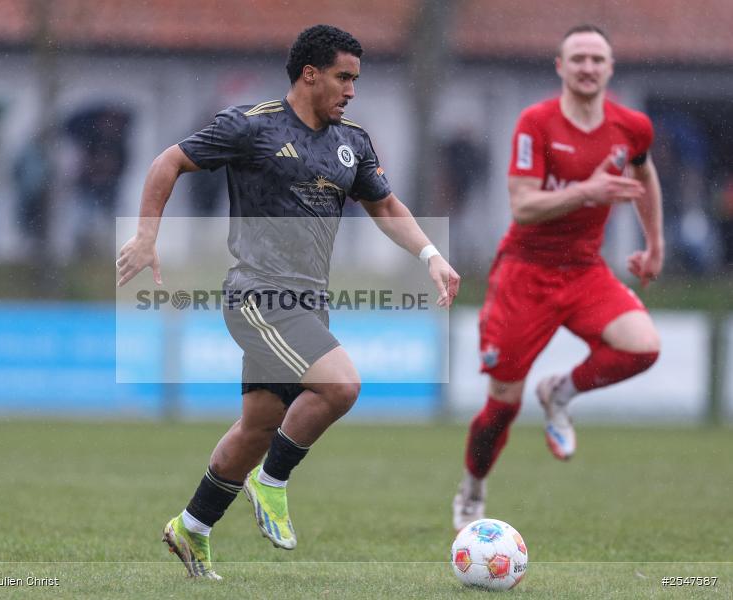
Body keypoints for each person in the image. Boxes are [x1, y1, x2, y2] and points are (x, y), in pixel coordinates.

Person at [116, 24, 460, 579]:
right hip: (257, 293)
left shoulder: (353, 142)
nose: (351, 90)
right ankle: (271, 481)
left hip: (308, 300)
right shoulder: (251, 126)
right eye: (343, 77)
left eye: (356, 79)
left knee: (258, 425)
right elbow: (168, 162)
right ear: (310, 73)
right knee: (341, 385)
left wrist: (430, 257)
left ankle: (191, 528)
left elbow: (387, 206)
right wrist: (147, 235)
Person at [452, 24, 664, 531]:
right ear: (560, 67)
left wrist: (655, 244)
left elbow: (644, 173)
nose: (588, 67)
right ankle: (473, 487)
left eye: (597, 59)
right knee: (503, 405)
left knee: (643, 347)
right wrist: (585, 191)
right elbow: (523, 206)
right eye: (578, 58)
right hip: (524, 273)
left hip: (586, 269)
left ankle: (561, 393)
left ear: (610, 68)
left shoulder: (632, 126)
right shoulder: (537, 122)